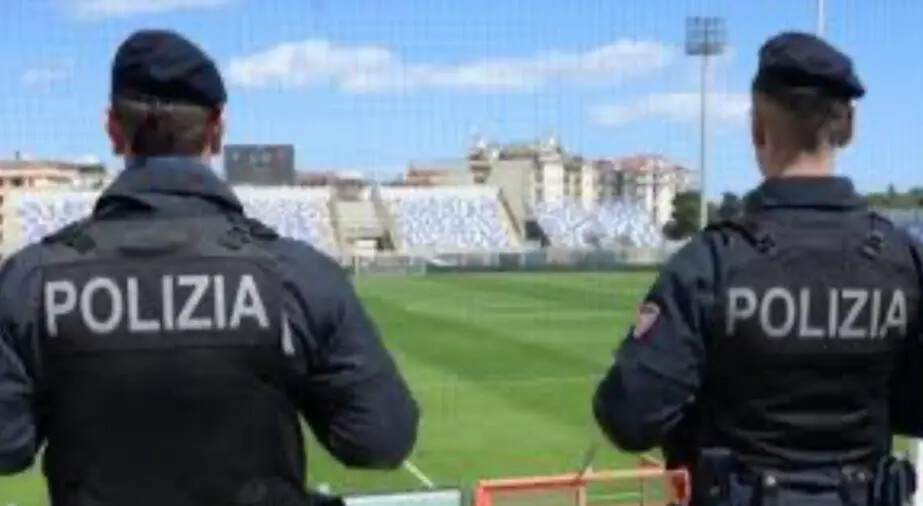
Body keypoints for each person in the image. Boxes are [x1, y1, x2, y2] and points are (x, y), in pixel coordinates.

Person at [0, 29, 419, 506]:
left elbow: (6, 448)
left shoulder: (30, 280)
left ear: (112, 129)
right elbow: (380, 440)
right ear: (218, 130)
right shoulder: (296, 274)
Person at [593, 31, 922, 506]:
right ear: (848, 126)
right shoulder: (902, 260)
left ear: (757, 130)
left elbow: (628, 416)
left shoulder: (710, 263)